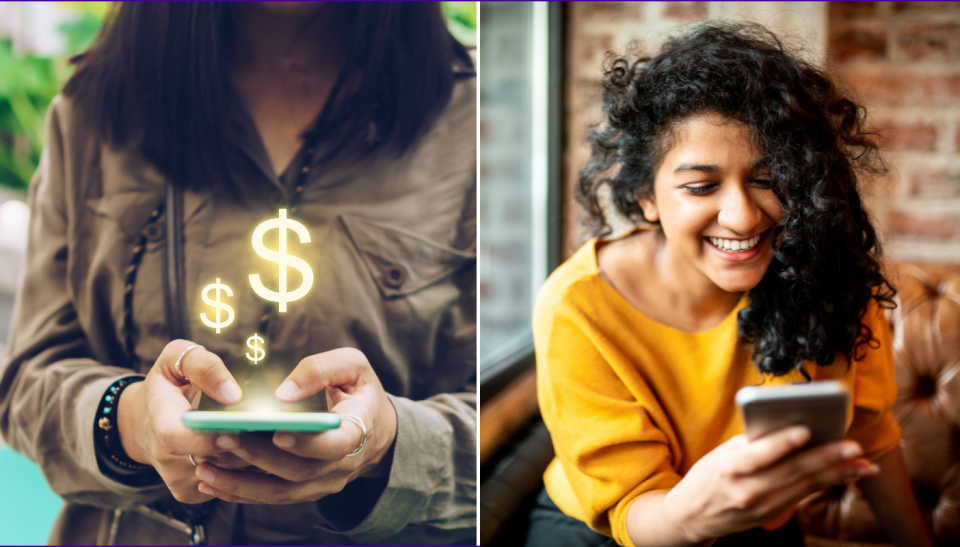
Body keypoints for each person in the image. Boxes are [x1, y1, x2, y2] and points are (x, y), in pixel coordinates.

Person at [0, 2, 476, 545]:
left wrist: (392, 444)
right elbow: (27, 379)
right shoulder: (95, 109)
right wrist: (130, 422)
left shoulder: (469, 115)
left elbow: (504, 416)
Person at [527, 23, 931, 547]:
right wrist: (693, 516)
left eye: (767, 179)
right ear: (647, 196)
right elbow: (631, 506)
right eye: (701, 186)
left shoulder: (828, 276)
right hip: (608, 530)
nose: (741, 218)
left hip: (753, 526)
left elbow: (872, 438)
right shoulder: (577, 307)